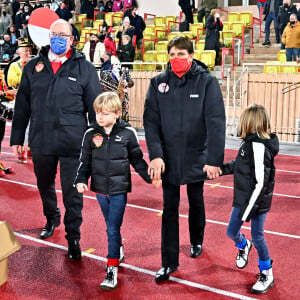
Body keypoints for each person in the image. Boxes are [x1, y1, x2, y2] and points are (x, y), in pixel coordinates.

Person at [10, 19, 102, 261]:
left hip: (74, 142)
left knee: (74, 192)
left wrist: (98, 138)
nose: (57, 38)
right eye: (53, 34)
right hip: (41, 138)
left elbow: (96, 107)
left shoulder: (84, 68)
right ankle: (52, 217)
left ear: (71, 39)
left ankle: (74, 237)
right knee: (43, 183)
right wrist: (18, 137)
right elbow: (22, 105)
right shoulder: (34, 67)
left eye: (62, 34)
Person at [143, 36, 225, 282]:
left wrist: (214, 159)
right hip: (168, 158)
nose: (176, 58)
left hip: (197, 156)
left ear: (191, 55)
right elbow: (151, 123)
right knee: (169, 209)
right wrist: (155, 155)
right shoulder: (158, 83)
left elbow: (216, 122)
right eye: (172, 54)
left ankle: (197, 239)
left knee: (196, 200)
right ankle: (168, 262)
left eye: (181, 54)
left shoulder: (207, 82)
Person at [74, 91, 159, 290]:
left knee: (112, 228)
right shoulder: (90, 134)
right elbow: (84, 163)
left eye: (105, 113)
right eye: (98, 113)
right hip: (100, 190)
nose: (100, 117)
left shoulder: (128, 134)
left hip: (119, 190)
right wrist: (80, 180)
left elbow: (138, 161)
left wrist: (150, 177)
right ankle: (118, 247)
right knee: (111, 226)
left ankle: (111, 268)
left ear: (117, 113)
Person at [223, 104, 279, 294]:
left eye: (243, 120)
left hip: (257, 201)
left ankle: (266, 273)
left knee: (258, 236)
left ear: (251, 123)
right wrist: (218, 170)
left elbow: (261, 183)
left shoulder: (258, 147)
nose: (240, 123)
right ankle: (243, 245)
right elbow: (239, 166)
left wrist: (247, 212)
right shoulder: (248, 143)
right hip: (243, 198)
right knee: (231, 232)